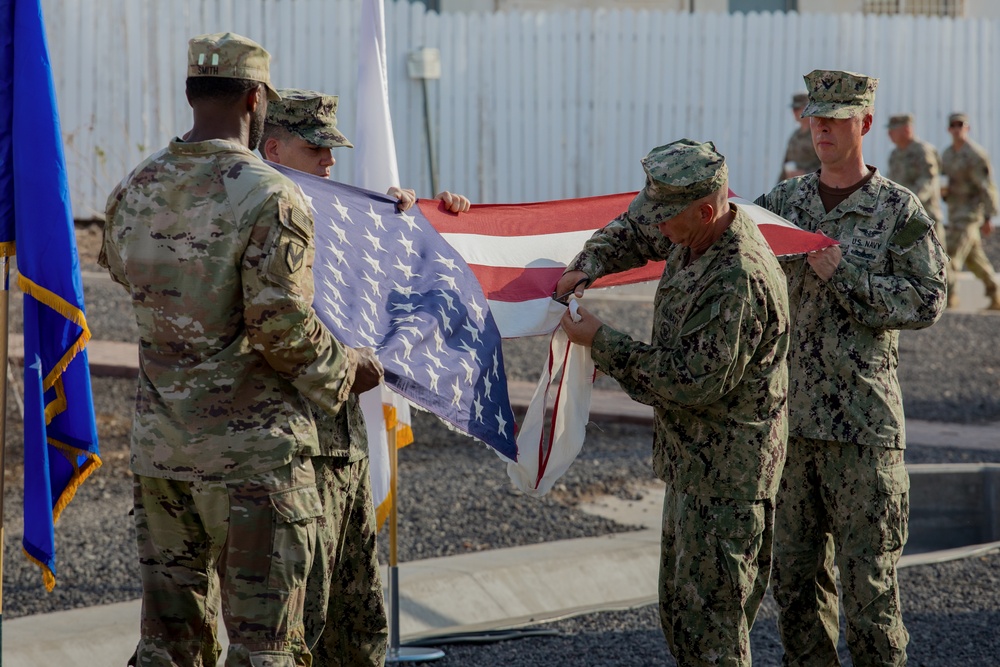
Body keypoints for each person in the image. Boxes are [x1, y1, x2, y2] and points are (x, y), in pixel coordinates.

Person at [101, 34, 382, 666]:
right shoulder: (271, 194)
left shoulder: (136, 186)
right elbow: (280, 327)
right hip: (254, 466)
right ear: (256, 99)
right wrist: (350, 369)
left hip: (164, 457)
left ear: (190, 94)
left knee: (167, 648)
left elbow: (122, 270)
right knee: (267, 650)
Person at [557, 139, 790, 667]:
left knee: (715, 638)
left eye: (669, 218)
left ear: (707, 209)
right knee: (684, 619)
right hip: (695, 467)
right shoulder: (694, 226)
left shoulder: (738, 277)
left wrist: (601, 341)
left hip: (729, 483)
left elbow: (688, 382)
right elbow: (634, 228)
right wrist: (588, 263)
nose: (658, 227)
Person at [260, 88, 469, 666]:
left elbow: (394, 292)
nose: (331, 162)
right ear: (273, 149)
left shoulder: (335, 214)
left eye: (333, 150)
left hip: (344, 446)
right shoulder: (253, 223)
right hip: (288, 455)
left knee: (359, 623)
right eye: (316, 149)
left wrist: (415, 221)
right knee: (295, 627)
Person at [755, 70, 948, 667]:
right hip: (791, 428)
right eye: (816, 118)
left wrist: (845, 276)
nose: (822, 129)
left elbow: (928, 299)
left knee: (871, 597)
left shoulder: (898, 209)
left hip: (864, 431)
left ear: (864, 124)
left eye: (836, 120)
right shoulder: (784, 204)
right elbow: (721, 245)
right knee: (796, 595)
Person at [940, 112, 1000, 310]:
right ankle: (996, 294)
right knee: (975, 260)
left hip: (970, 214)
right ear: (949, 130)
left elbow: (986, 186)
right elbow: (944, 181)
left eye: (961, 125)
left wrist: (989, 217)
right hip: (955, 212)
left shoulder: (975, 155)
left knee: (952, 254)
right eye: (954, 126)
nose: (957, 129)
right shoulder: (947, 154)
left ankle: (950, 298)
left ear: (967, 128)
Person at [886, 113, 945, 244]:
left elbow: (928, 181)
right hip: (903, 219)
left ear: (907, 129)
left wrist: (909, 203)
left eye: (893, 129)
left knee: (937, 262)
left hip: (924, 217)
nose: (889, 133)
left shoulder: (922, 151)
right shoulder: (895, 154)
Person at [779, 91, 821, 182]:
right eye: (793, 108)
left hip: (813, 188)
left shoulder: (819, 135)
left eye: (797, 108)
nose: (794, 112)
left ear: (808, 108)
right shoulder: (794, 136)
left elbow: (828, 166)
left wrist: (804, 173)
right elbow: (785, 167)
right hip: (794, 188)